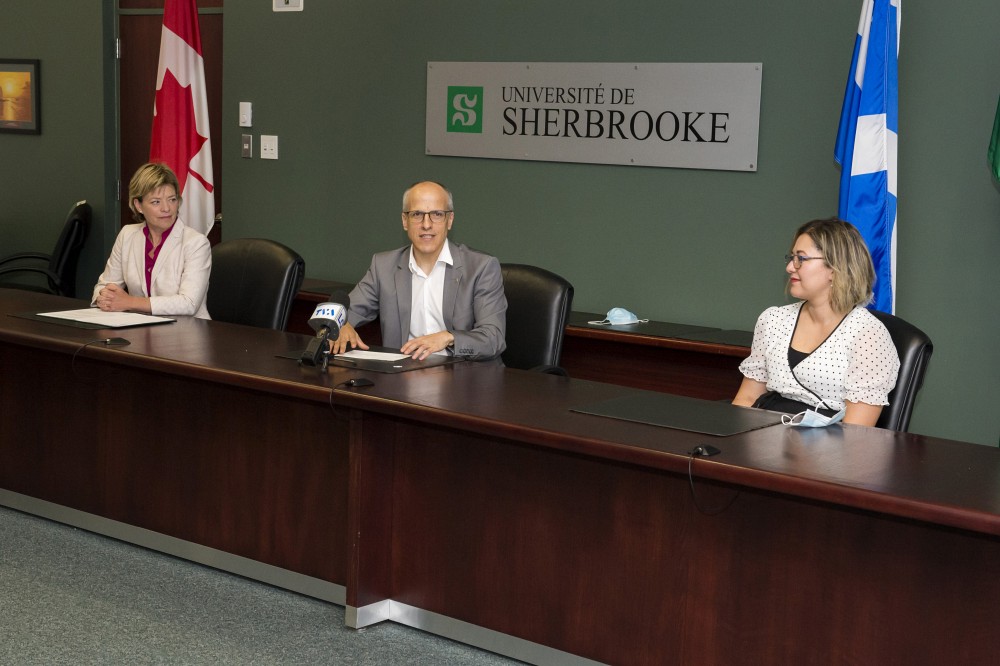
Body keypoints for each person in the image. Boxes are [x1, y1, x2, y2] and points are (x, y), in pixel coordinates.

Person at [732, 218, 899, 426]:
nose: (790, 267)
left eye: (801, 259)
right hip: (762, 438)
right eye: (791, 258)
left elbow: (856, 431)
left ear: (835, 268)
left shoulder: (868, 335)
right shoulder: (773, 319)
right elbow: (747, 399)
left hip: (828, 448)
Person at [330, 180, 506, 361]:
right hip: (402, 376)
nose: (426, 224)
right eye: (417, 214)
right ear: (405, 221)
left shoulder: (481, 267)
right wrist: (340, 324)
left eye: (437, 214)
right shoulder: (384, 266)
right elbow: (339, 313)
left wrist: (448, 338)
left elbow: (493, 338)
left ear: (449, 220)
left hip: (466, 378)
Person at [92, 162, 211, 318]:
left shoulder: (196, 243)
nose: (166, 208)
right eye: (156, 202)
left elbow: (189, 303)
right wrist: (105, 297)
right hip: (138, 329)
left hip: (186, 332)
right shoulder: (127, 235)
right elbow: (105, 285)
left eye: (172, 199)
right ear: (138, 205)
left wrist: (129, 302)